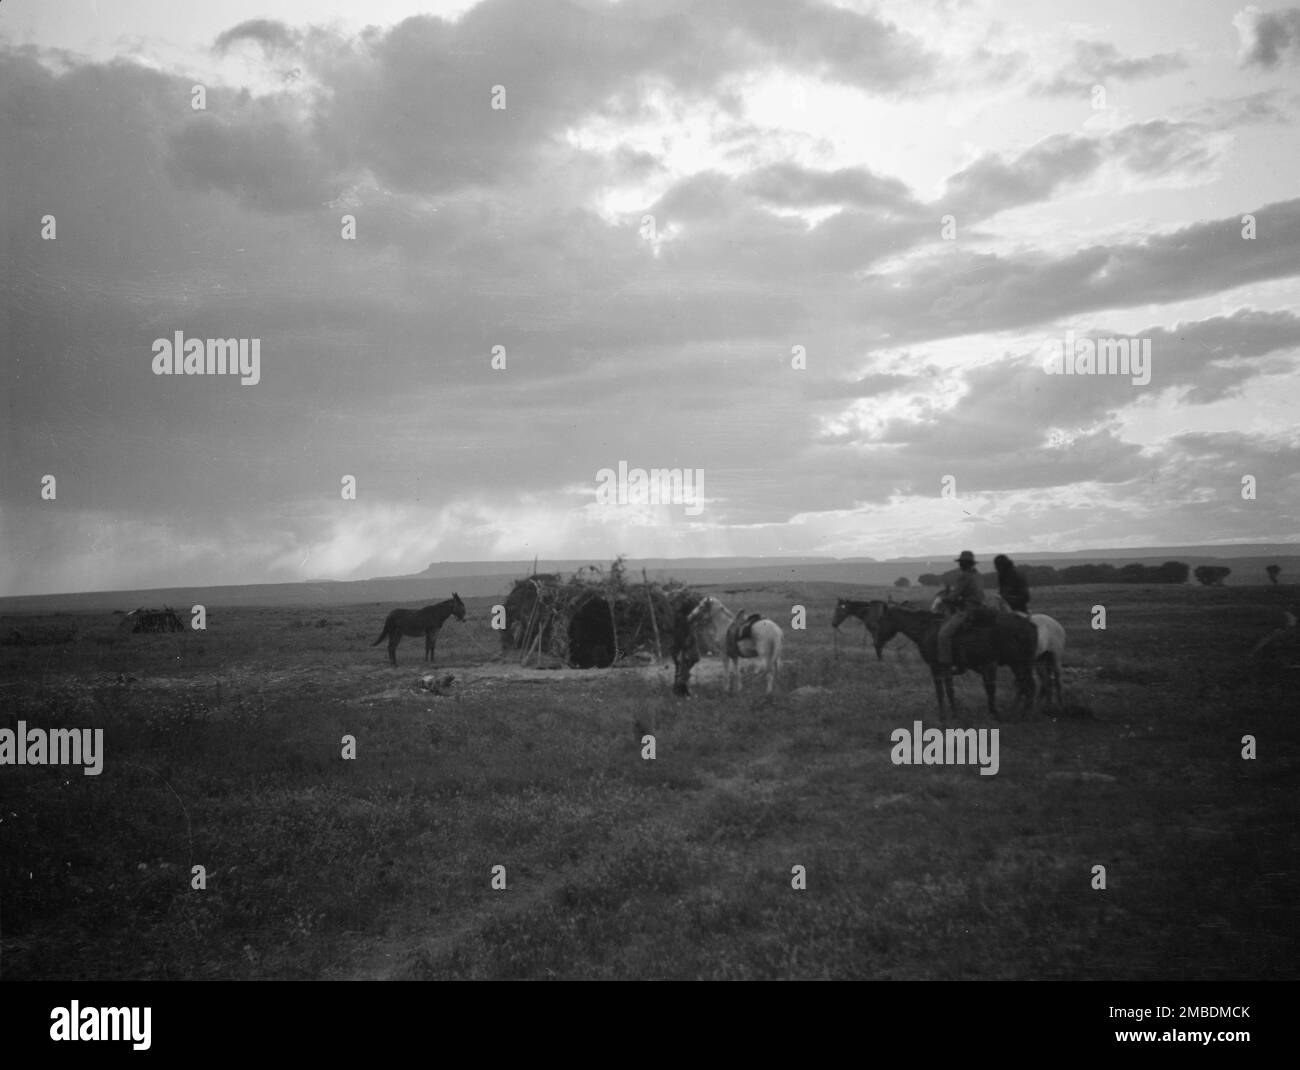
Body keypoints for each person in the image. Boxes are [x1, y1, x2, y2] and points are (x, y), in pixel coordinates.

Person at [937, 550, 984, 674]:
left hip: (968, 609)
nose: (960, 565)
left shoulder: (964, 576)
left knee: (943, 634)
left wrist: (944, 599)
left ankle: (947, 664)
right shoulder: (977, 575)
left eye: (961, 562)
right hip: (980, 607)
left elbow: (954, 595)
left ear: (964, 563)